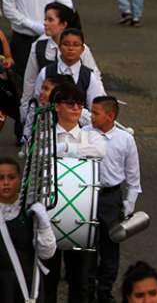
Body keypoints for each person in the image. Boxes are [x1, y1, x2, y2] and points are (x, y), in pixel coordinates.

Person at [45, 82, 106, 303]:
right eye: (70, 103)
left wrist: (64, 149)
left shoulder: (92, 136)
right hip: (48, 217)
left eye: (80, 104)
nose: (76, 108)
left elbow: (100, 150)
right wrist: (74, 151)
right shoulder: (44, 134)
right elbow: (39, 153)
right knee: (47, 281)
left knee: (79, 281)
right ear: (56, 107)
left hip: (81, 216)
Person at [85, 96, 141, 303]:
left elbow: (134, 177)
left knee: (110, 247)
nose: (91, 116)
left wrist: (129, 204)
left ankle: (104, 291)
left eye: (95, 113)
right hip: (87, 196)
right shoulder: (84, 134)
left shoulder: (125, 139)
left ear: (110, 116)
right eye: (91, 112)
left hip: (111, 198)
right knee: (88, 244)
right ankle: (87, 290)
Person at [20, 3, 99, 125]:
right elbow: (30, 83)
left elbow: (94, 79)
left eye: (50, 20)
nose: (45, 23)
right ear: (60, 49)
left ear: (63, 24)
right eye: (45, 19)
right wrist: (25, 115)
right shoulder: (38, 48)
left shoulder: (83, 52)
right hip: (48, 121)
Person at [0, 156, 56, 303]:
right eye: (0, 178)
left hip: (28, 284)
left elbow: (47, 253)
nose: (6, 183)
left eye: (11, 177)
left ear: (20, 180)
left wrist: (44, 224)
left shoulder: (29, 210)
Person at [34, 28, 106, 112]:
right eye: (66, 44)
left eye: (76, 45)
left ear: (82, 49)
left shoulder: (89, 77)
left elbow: (94, 109)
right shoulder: (46, 72)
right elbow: (37, 102)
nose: (71, 48)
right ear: (59, 47)